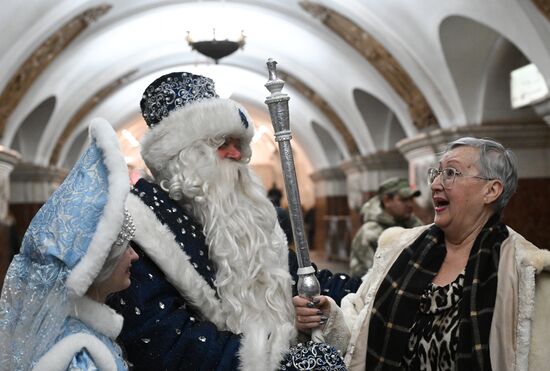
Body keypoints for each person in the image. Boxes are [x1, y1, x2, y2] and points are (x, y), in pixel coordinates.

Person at [293, 137, 550, 370]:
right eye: (437, 173)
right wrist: (328, 318)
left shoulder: (525, 271)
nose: (436, 184)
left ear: (491, 190)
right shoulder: (400, 249)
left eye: (451, 173)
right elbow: (358, 336)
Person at [107, 71, 303, 371]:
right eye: (222, 143)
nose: (238, 154)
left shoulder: (246, 214)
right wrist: (281, 361)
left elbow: (288, 273)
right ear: (185, 155)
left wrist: (315, 303)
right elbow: (163, 343)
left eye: (239, 143)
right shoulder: (138, 225)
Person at [0, 119, 138, 370]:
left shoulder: (80, 335)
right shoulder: (79, 354)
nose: (134, 255)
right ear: (97, 264)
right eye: (124, 247)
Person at [349, 177, 422, 278]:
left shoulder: (415, 226)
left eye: (411, 199)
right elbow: (372, 277)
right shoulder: (370, 232)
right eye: (404, 199)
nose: (410, 204)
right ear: (387, 201)